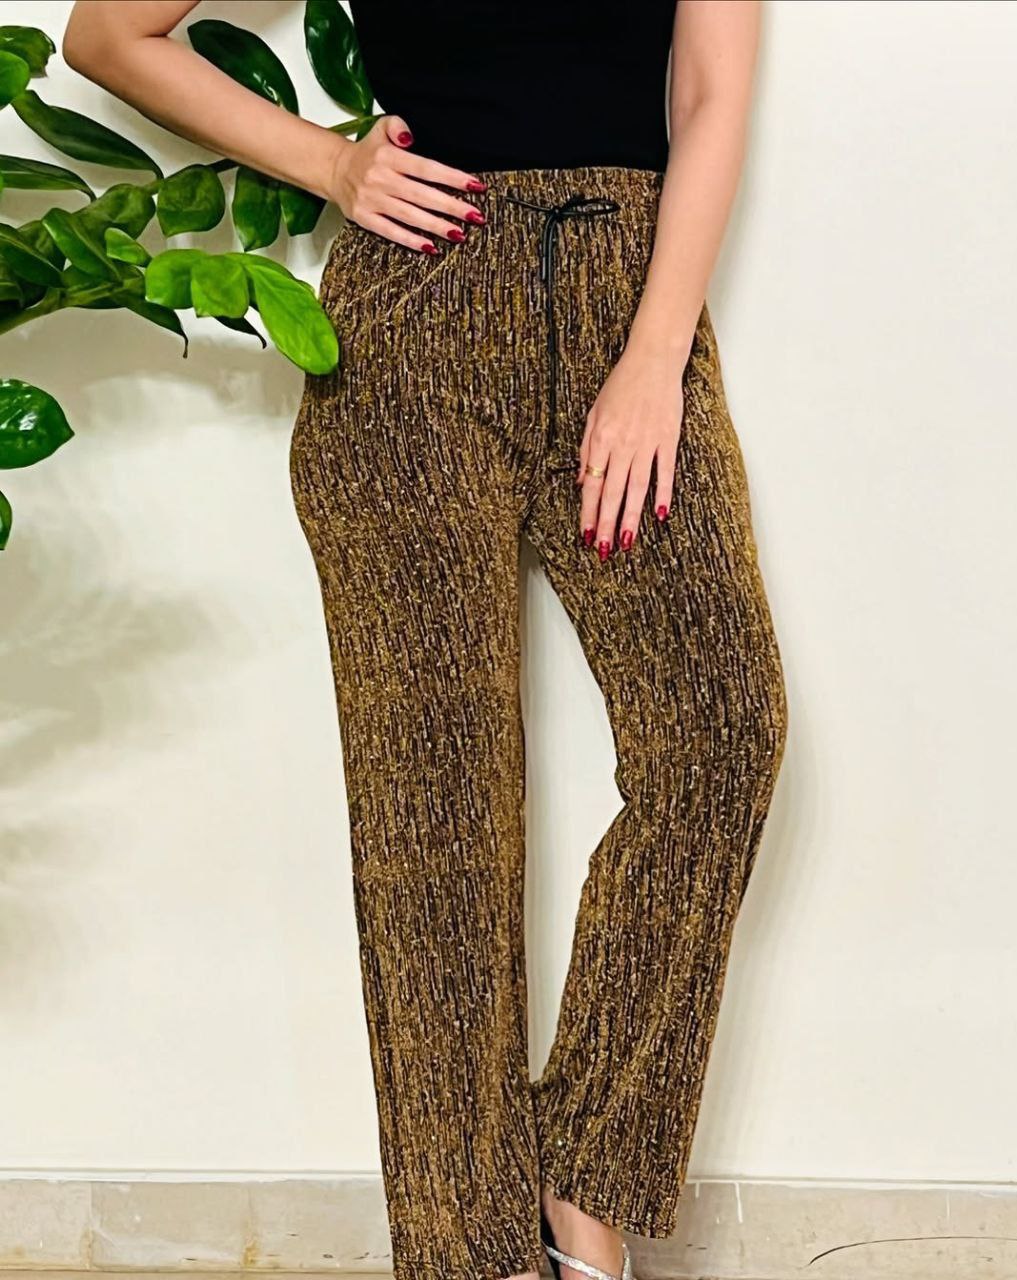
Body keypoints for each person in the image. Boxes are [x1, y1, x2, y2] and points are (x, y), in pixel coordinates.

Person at [63, 3, 787, 1279]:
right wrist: (331, 165)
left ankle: (583, 1189)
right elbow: (109, 34)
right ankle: (473, 1255)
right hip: (416, 315)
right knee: (435, 820)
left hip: (630, 296)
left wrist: (653, 355)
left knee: (721, 729)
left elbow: (710, 98)